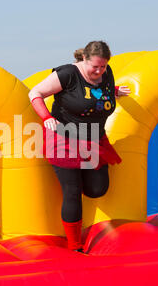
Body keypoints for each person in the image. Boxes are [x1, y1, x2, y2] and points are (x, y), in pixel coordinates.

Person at [28, 41, 131, 252]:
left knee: (97, 189)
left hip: (94, 138)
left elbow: (101, 91)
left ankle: (80, 176)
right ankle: (75, 245)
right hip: (65, 138)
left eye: (103, 66)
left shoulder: (106, 72)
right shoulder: (67, 74)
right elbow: (35, 93)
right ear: (84, 59)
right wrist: (46, 116)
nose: (99, 71)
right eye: (95, 66)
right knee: (72, 191)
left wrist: (114, 91)